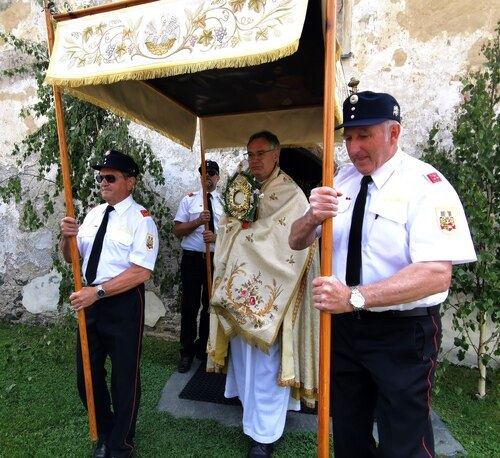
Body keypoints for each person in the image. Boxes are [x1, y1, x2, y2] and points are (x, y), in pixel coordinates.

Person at [289, 91, 477, 458]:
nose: (354, 147)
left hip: (402, 335)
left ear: (394, 133)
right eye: (349, 137)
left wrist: (354, 297)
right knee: (349, 434)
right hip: (343, 331)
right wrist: (312, 217)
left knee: (404, 441)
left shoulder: (425, 185)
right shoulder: (340, 181)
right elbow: (296, 241)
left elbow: (437, 275)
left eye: (365, 136)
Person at [207, 131, 320, 458]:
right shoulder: (242, 188)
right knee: (245, 361)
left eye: (260, 154)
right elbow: (230, 228)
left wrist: (248, 243)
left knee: (268, 366)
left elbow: (293, 243)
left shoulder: (292, 195)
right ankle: (251, 413)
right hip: (236, 292)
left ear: (276, 155)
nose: (254, 160)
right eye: (250, 154)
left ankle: (264, 436)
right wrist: (234, 235)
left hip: (270, 296)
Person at [60, 150, 159, 458]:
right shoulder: (93, 214)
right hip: (89, 302)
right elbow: (71, 258)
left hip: (123, 303)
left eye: (110, 177)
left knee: (124, 377)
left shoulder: (141, 220)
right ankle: (104, 431)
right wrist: (66, 238)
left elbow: (141, 271)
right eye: (100, 176)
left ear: (130, 182)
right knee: (86, 374)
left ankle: (120, 444)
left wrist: (98, 292)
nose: (103, 182)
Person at [173, 160, 222, 373]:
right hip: (192, 259)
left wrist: (216, 237)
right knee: (190, 306)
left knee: (210, 305)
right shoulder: (189, 200)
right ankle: (186, 351)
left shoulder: (225, 202)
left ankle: (203, 347)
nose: (207, 177)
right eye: (204, 173)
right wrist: (197, 222)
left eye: (211, 173)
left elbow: (233, 233)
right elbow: (177, 230)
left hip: (214, 259)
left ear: (218, 177)